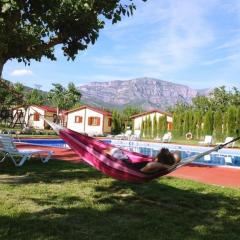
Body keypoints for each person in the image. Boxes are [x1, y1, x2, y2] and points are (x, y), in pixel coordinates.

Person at [104, 147, 181, 173]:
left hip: (122, 162)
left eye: (158, 153)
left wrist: (166, 165)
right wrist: (173, 162)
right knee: (110, 149)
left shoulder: (154, 165)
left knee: (106, 151)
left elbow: (152, 164)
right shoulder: (160, 164)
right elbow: (178, 152)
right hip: (127, 161)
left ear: (160, 158)